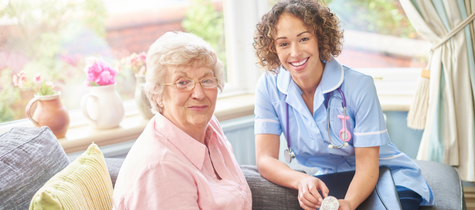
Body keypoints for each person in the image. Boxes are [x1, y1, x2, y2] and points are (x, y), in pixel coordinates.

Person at [252, 0, 434, 210]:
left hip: (386, 174)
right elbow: (265, 159)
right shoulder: (268, 87)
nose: (295, 52)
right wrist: (300, 180)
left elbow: (367, 166)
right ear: (273, 49)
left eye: (303, 39)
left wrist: (349, 203)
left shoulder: (359, 86)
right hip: (333, 181)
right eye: (284, 44)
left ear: (320, 38)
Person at [112, 31, 252, 209]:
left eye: (207, 80)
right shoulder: (161, 171)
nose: (199, 94)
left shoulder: (208, 124)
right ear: (158, 94)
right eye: (182, 82)